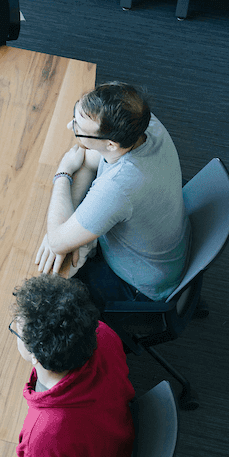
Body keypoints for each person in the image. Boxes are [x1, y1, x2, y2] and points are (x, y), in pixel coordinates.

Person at [35, 81, 191, 308]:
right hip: (170, 245)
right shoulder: (139, 123)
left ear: (110, 144)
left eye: (79, 128)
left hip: (139, 284)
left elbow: (58, 242)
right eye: (75, 115)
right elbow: (90, 162)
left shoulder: (121, 185)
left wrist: (63, 172)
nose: (71, 126)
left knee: (48, 299)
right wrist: (71, 224)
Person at [8, 275, 135, 457]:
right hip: (115, 456)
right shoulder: (103, 334)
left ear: (35, 354)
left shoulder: (45, 434)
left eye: (15, 330)